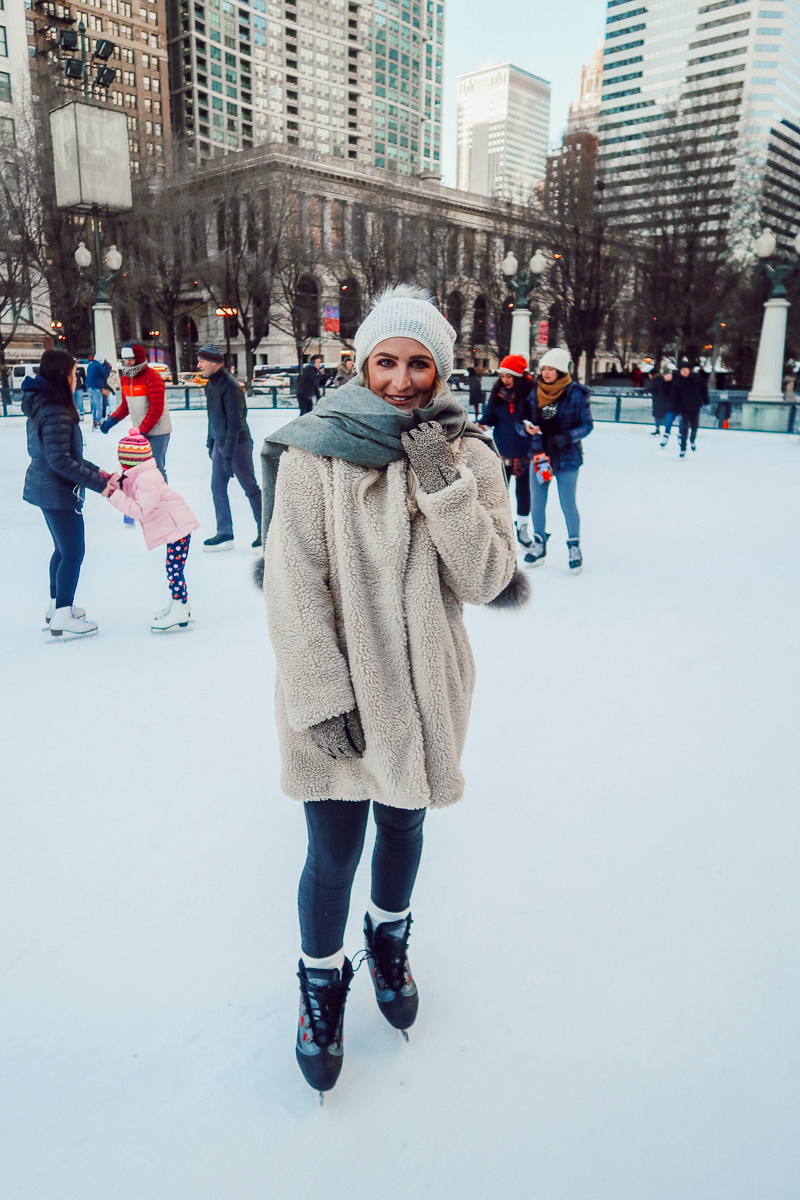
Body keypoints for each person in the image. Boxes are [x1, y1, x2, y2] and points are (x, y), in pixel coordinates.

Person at [258, 284, 521, 1100]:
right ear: (360, 362)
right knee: (332, 853)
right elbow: (292, 581)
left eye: (419, 364)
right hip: (336, 693)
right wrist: (319, 695)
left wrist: (441, 484)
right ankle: (319, 984)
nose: (401, 379)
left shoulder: (468, 453)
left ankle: (390, 938)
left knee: (403, 828)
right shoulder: (313, 451)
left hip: (423, 694)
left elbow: (487, 577)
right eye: (386, 361)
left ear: (439, 370)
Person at [21, 349, 112, 637]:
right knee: (73, 551)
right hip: (57, 490)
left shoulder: (45, 404)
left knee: (62, 550)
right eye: (74, 373)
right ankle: (63, 613)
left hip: (46, 487)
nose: (77, 379)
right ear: (63, 375)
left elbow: (63, 454)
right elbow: (60, 461)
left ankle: (56, 607)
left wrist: (98, 473)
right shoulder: (55, 410)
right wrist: (100, 485)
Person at [105, 429, 200, 631]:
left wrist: (112, 494)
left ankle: (180, 607)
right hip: (176, 525)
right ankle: (181, 604)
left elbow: (138, 509)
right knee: (174, 569)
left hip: (178, 526)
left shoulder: (146, 478)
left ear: (130, 460)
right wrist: (112, 480)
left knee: (174, 570)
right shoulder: (140, 474)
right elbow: (127, 487)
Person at [522, 346, 593, 572]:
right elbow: (522, 420)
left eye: (551, 369)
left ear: (561, 371)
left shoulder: (577, 394)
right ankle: (539, 543)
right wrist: (526, 429)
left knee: (567, 503)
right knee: (537, 503)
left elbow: (587, 425)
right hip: (541, 456)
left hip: (567, 458)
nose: (546, 373)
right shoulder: (534, 392)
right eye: (544, 368)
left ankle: (574, 545)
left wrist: (568, 437)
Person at [198, 342, 262, 551]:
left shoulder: (230, 385)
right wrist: (211, 441)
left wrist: (227, 455)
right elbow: (212, 416)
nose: (199, 364)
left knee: (250, 487)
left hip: (237, 444)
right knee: (217, 487)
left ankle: (266, 530)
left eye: (202, 360)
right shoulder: (210, 384)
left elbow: (235, 421)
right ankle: (225, 532)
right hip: (220, 443)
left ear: (215, 362)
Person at [477, 354, 536, 547]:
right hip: (502, 451)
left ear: (518, 376)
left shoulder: (530, 395)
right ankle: (501, 528)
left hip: (524, 451)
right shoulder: (498, 394)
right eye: (503, 376)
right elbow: (490, 416)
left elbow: (535, 420)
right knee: (500, 492)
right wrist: (483, 424)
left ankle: (523, 527)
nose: (505, 380)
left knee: (523, 491)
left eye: (509, 376)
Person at [100, 344, 172, 481]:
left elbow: (156, 409)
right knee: (139, 469)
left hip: (158, 431)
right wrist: (111, 420)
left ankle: (162, 499)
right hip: (140, 431)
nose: (127, 362)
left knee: (155, 467)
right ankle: (146, 498)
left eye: (130, 359)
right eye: (125, 359)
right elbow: (125, 406)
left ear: (138, 358)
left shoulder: (152, 377)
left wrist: (142, 431)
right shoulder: (126, 379)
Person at [666, 359, 708, 457]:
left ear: (689, 370)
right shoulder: (677, 383)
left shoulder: (697, 379)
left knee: (694, 427)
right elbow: (673, 398)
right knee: (684, 428)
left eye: (686, 369)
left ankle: (692, 440)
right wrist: (674, 411)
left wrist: (706, 403)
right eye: (682, 370)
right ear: (680, 371)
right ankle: (683, 448)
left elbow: (704, 390)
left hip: (695, 407)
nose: (685, 371)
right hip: (683, 409)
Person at [86, 355, 112, 429]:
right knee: (98, 406)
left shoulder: (90, 365)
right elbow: (105, 374)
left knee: (94, 406)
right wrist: (107, 366)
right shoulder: (97, 365)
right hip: (96, 388)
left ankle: (94, 422)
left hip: (89, 387)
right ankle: (98, 422)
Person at [649, 367, 673, 436]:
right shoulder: (662, 380)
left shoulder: (656, 381)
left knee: (659, 415)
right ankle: (665, 430)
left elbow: (652, 389)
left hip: (658, 400)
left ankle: (659, 429)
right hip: (663, 400)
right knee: (662, 415)